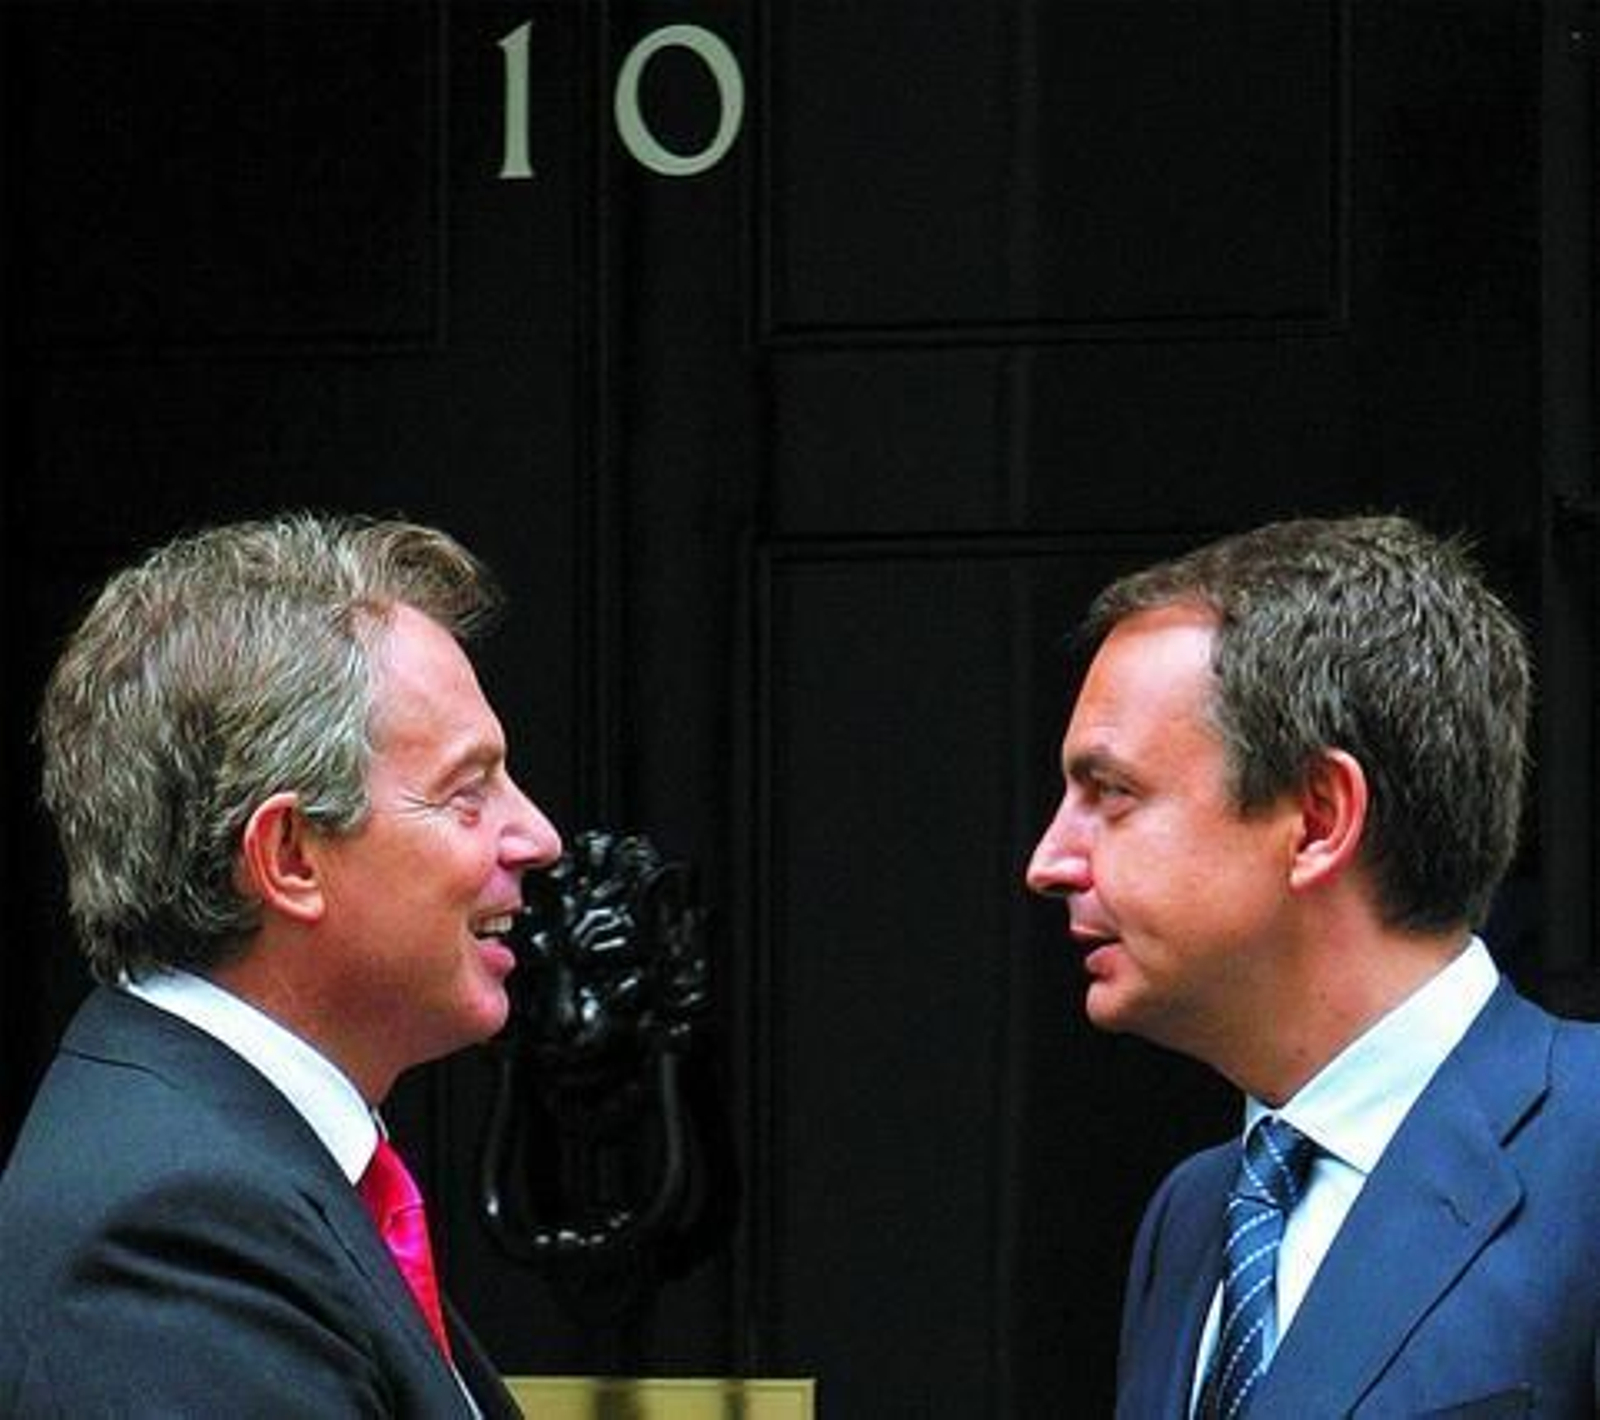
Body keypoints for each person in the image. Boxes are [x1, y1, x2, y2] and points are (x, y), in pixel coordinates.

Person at [1026, 514, 1600, 1417]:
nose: (1050, 860)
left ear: (1320, 820)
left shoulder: (1584, 1150)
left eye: (1114, 795)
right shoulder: (1192, 1216)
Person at [0, 513, 563, 1416]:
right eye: (468, 792)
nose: (537, 836)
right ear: (290, 857)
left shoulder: (241, 1162)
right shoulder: (173, 1227)